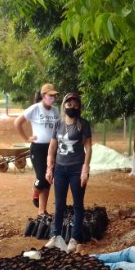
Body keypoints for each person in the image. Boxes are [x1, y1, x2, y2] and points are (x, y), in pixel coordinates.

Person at [44, 93, 92, 253]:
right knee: (59, 204)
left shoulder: (83, 124)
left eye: (75, 105)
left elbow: (88, 147)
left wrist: (85, 169)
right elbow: (52, 146)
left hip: (76, 169)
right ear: (64, 105)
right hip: (60, 169)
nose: (72, 107)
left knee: (78, 204)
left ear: (79, 107)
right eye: (69, 104)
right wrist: (49, 167)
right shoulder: (58, 123)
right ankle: (55, 235)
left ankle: (74, 238)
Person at [14, 83, 61, 216]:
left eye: (54, 96)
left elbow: (59, 128)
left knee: (48, 179)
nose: (53, 98)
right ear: (43, 95)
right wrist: (26, 138)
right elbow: (17, 122)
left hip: (52, 148)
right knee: (41, 178)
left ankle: (42, 211)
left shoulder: (56, 110)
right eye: (50, 95)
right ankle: (35, 190)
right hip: (38, 148)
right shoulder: (35, 108)